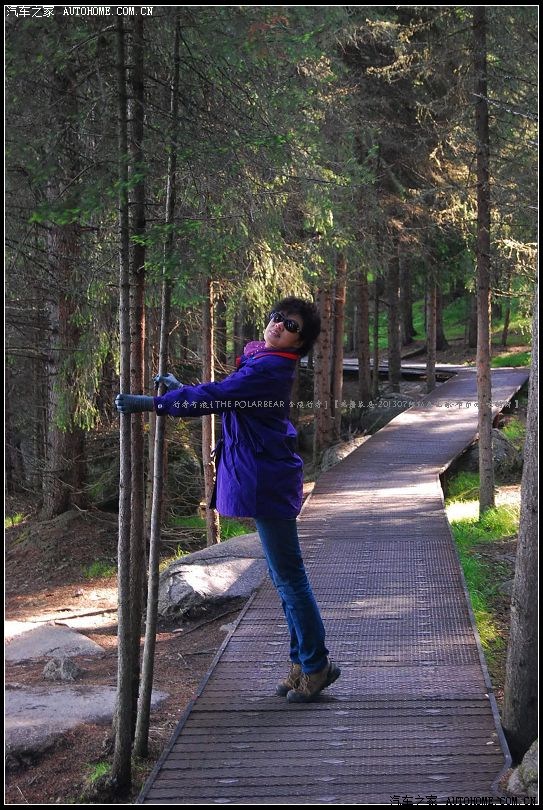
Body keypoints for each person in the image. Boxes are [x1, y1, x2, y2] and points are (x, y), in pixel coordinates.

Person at [115, 296, 340, 703]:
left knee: (290, 578)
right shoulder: (261, 361)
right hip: (266, 476)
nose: (278, 325)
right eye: (277, 317)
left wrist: (153, 404)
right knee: (285, 578)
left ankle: (315, 665)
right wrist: (181, 390)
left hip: (268, 481)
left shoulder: (270, 369)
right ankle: (304, 663)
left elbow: (219, 395)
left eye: (290, 325)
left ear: (299, 342)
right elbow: (228, 397)